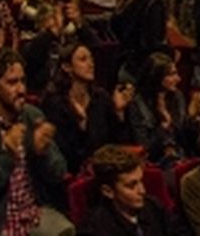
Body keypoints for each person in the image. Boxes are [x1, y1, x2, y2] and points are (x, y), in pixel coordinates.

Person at [0, 48, 72, 236]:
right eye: (12, 82)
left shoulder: (33, 115)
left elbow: (60, 173)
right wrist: (7, 157)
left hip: (34, 215)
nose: (21, 89)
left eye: (23, 81)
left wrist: (43, 152)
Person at [41, 41, 135, 170]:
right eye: (83, 59)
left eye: (91, 59)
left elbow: (120, 145)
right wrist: (81, 127)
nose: (91, 64)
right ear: (67, 67)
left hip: (106, 169)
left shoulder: (101, 97)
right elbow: (66, 156)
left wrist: (119, 112)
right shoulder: (55, 103)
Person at [79, 144, 169, 236]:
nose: (142, 190)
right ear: (108, 191)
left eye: (141, 181)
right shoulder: (93, 230)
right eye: (131, 186)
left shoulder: (154, 207)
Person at [128, 52, 189, 167]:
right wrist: (164, 125)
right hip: (153, 162)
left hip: (180, 156)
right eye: (172, 75)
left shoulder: (177, 97)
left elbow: (183, 138)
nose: (179, 79)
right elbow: (144, 147)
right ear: (157, 77)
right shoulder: (138, 104)